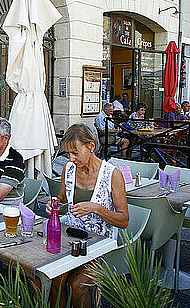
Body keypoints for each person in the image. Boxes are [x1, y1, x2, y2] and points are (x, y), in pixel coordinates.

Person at [47, 123, 129, 307]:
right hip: (71, 239)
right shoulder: (68, 169)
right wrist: (54, 206)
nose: (71, 158)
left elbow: (124, 220)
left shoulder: (112, 174)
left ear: (91, 146)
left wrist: (96, 208)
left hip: (101, 246)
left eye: (75, 153)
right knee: (56, 276)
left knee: (77, 284)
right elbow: (61, 202)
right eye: (68, 153)